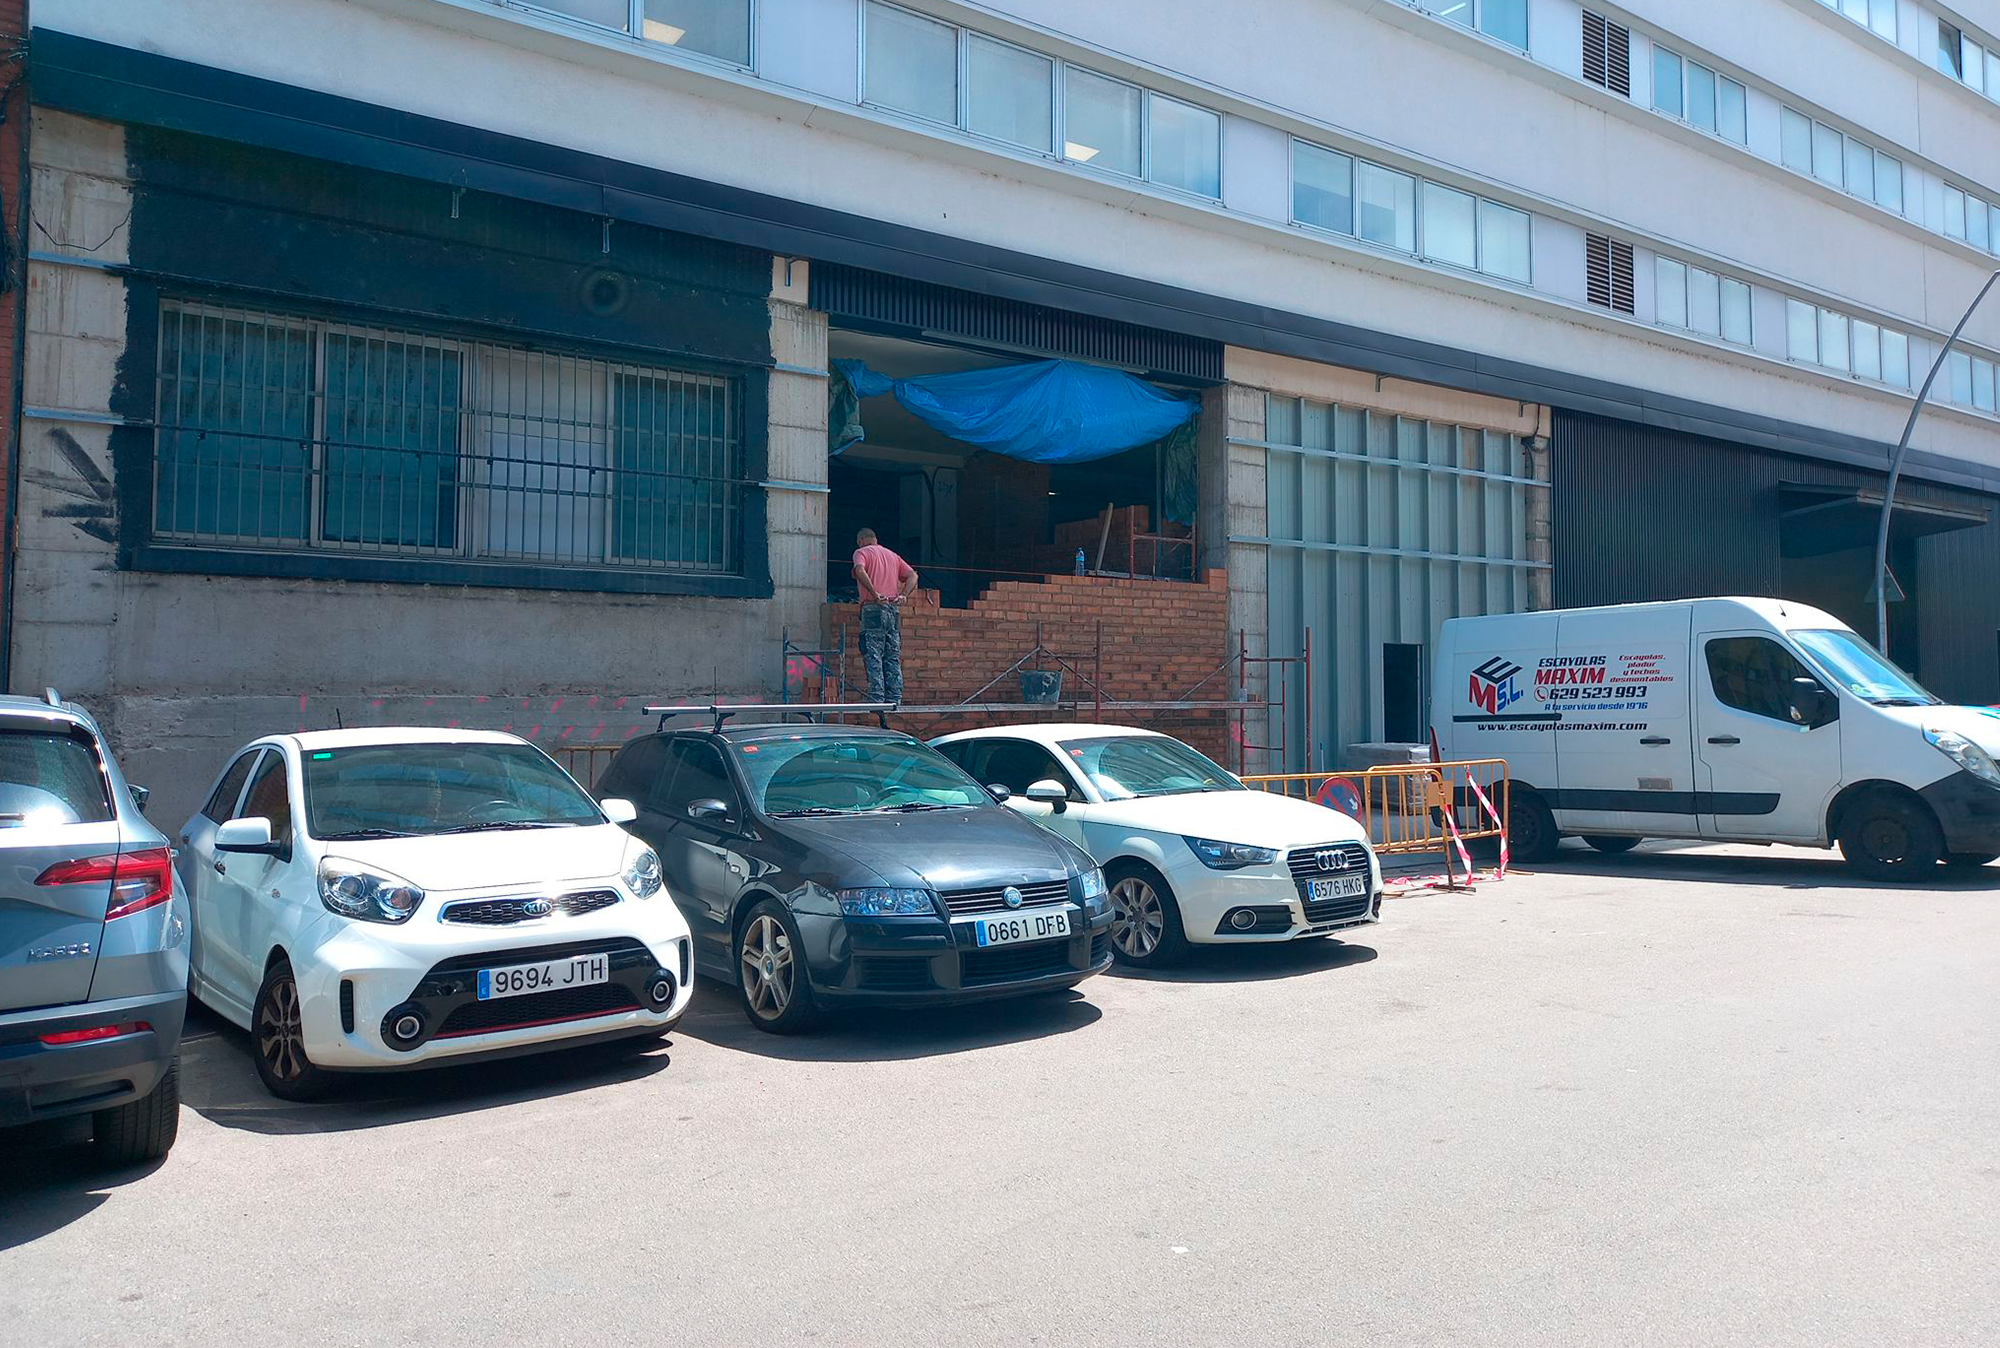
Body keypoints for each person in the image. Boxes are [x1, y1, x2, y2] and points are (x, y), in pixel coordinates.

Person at [852, 528, 918, 705]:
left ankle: (877, 699)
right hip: (892, 609)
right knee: (892, 655)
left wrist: (874, 593)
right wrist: (904, 595)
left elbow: (859, 570)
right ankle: (895, 698)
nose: (858, 544)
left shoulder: (861, 552)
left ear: (862, 539)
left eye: (859, 541)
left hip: (873, 608)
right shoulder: (892, 555)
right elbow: (913, 575)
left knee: (873, 653)